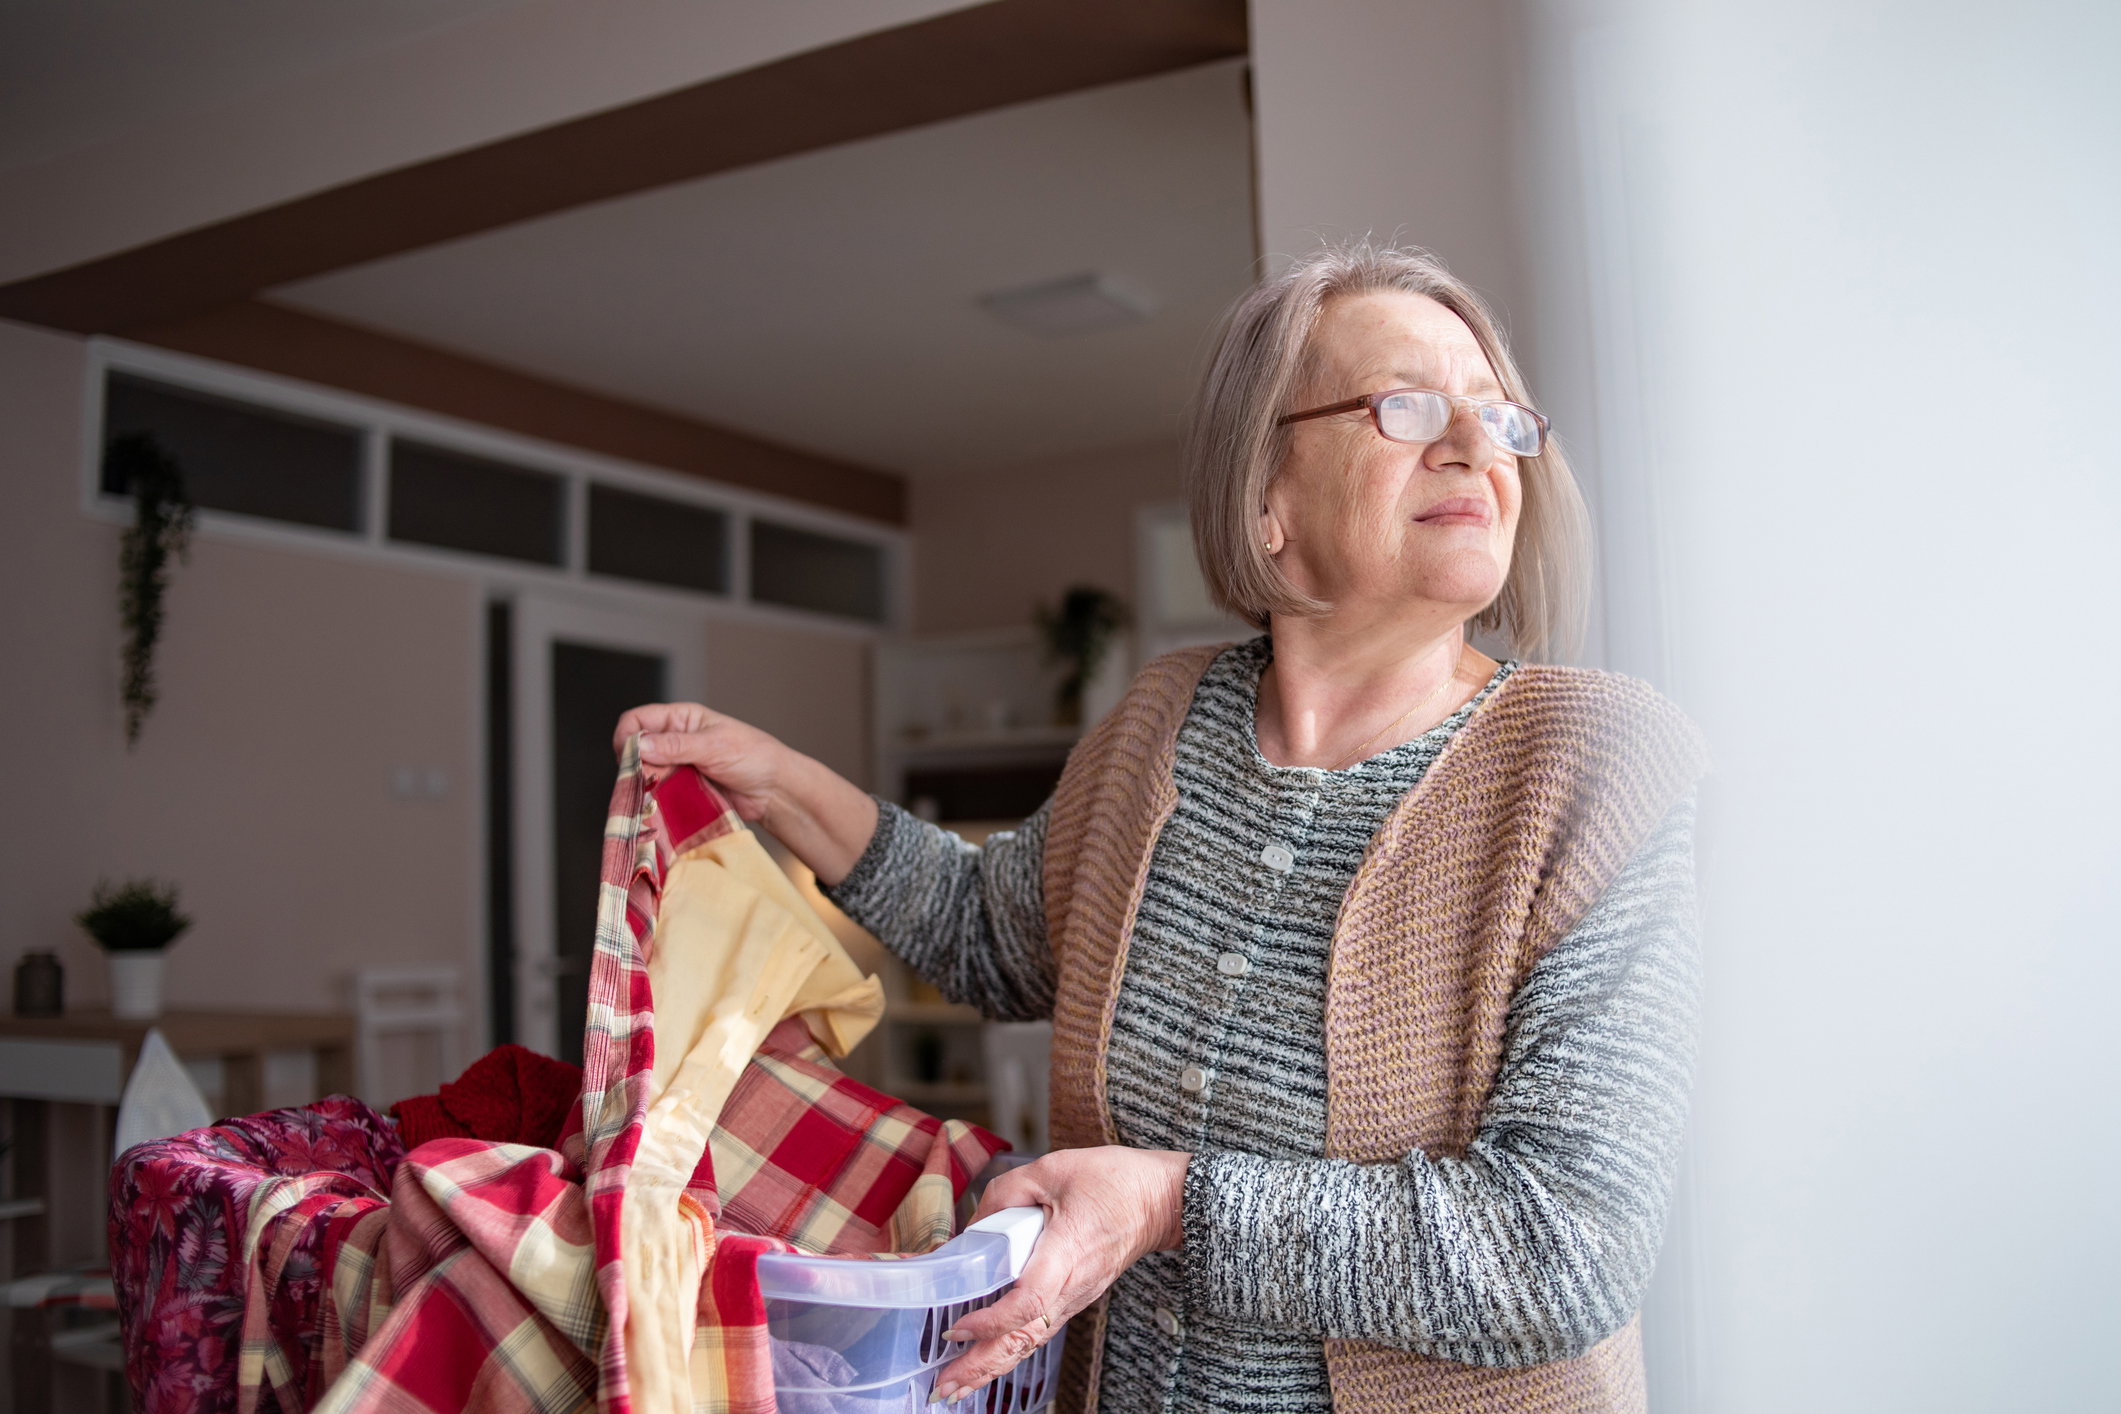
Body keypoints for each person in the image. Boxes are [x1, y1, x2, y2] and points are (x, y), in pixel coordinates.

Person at [614, 242, 1705, 1414]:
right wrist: (775, 783)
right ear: (1266, 497)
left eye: (1502, 420)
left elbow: (1564, 1246)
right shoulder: (1159, 721)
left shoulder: (1589, 762)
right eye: (1407, 407)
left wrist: (1164, 1202)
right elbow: (996, 933)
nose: (1474, 446)